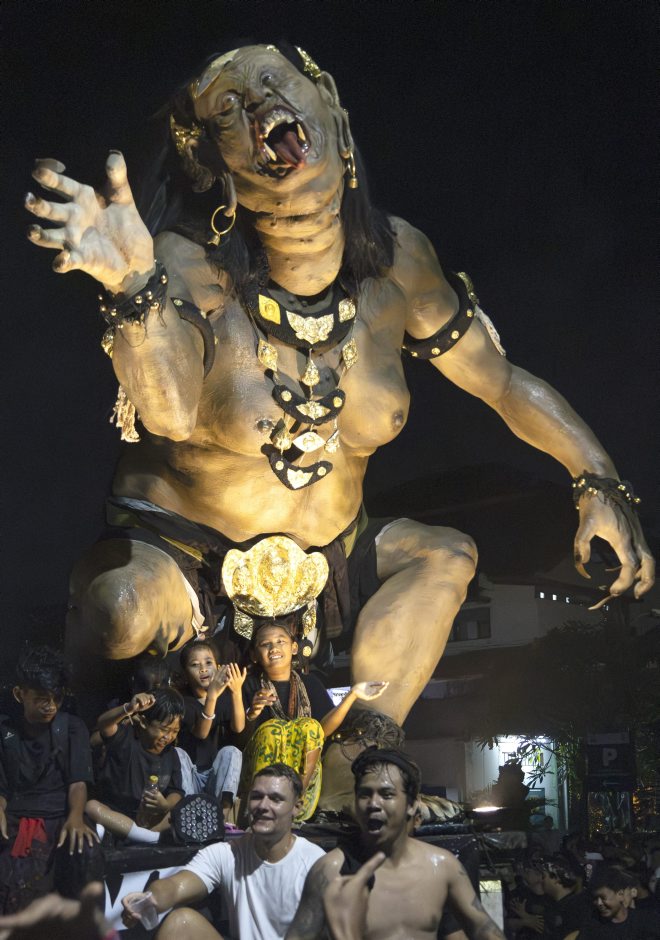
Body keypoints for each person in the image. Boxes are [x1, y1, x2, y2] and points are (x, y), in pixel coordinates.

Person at [26, 43, 655, 804]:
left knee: (446, 556)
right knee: (118, 612)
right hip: (185, 552)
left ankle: (357, 762)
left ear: (329, 108)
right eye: (228, 110)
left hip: (332, 560)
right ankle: (68, 757)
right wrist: (133, 287)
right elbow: (168, 410)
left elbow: (500, 381)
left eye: (273, 83)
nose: (258, 105)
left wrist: (598, 480)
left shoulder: (398, 263)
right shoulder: (188, 265)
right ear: (216, 163)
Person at [286, 746, 507, 940]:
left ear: (412, 805)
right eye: (365, 794)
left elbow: (484, 929)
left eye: (386, 794)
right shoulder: (331, 871)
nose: (373, 803)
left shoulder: (443, 867)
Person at [121, 762, 326, 940]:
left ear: (297, 806)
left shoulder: (315, 863)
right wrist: (150, 899)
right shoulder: (227, 853)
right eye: (256, 797)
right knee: (179, 923)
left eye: (275, 799)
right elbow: (175, 886)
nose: (263, 806)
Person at [240, 619, 386, 820]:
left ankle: (295, 798)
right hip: (259, 783)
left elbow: (321, 731)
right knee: (272, 729)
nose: (273, 648)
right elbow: (238, 740)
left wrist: (352, 695)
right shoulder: (248, 686)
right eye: (265, 644)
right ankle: (264, 803)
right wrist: (252, 712)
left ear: (293, 648)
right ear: (254, 655)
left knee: (309, 726)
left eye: (280, 641)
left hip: (301, 782)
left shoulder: (311, 683)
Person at [0, 647, 99, 914]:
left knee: (86, 855)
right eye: (42, 699)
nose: (51, 706)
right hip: (17, 817)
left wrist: (75, 817)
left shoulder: (72, 727)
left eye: (56, 698)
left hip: (58, 816)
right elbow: (2, 788)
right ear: (20, 694)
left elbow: (78, 782)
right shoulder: (6, 732)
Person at [86, 687, 185, 843]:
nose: (168, 737)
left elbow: (176, 792)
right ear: (144, 722)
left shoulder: (171, 754)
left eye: (175, 731)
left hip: (149, 819)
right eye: (164, 729)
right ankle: (151, 839)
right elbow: (104, 725)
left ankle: (137, 836)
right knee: (92, 807)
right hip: (115, 813)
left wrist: (165, 805)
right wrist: (128, 708)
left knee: (183, 811)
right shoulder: (126, 738)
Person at [176, 638, 245, 818]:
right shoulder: (183, 701)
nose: (203, 669)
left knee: (232, 752)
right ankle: (190, 816)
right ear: (185, 673)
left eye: (208, 663)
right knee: (177, 754)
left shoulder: (225, 697)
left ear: (219, 667)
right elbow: (201, 733)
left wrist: (236, 692)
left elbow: (238, 727)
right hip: (192, 774)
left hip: (215, 774)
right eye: (195, 665)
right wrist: (212, 696)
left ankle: (223, 816)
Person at [578, 866, 660, 940]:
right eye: (595, 899)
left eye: (603, 898)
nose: (599, 903)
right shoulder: (593, 925)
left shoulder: (646, 920)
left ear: (620, 895)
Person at [539, 856, 593, 940]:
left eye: (544, 877)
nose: (541, 881)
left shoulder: (576, 906)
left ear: (556, 878)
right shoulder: (555, 907)